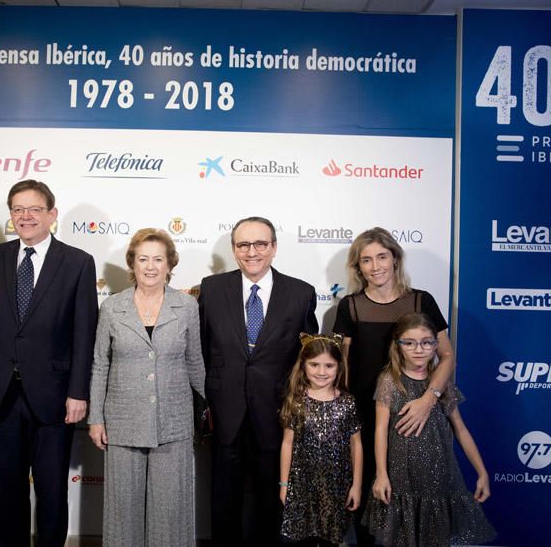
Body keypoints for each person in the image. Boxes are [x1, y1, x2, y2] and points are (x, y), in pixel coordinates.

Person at [0, 179, 98, 547]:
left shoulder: (78, 262)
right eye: (18, 209)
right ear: (10, 216)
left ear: (52, 214)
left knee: (52, 492)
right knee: (6, 491)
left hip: (53, 398)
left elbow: (85, 334)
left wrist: (78, 392)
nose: (25, 216)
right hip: (0, 396)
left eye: (34, 209)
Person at [199, 216, 318, 545]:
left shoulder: (301, 293)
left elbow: (307, 359)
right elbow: (202, 349)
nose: (252, 252)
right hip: (226, 412)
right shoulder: (212, 288)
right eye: (243, 245)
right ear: (234, 250)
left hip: (277, 411)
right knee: (225, 499)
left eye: (260, 244)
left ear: (274, 247)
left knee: (271, 497)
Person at [331, 227, 454, 546]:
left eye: (382, 257)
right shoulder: (351, 306)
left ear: (395, 258)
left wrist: (430, 399)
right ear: (358, 267)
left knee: (418, 499)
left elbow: (447, 355)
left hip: (415, 416)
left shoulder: (421, 300)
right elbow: (341, 367)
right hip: (366, 418)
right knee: (369, 494)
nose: (375, 266)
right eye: (366, 260)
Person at [88, 228, 205, 547]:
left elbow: (195, 362)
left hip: (174, 422)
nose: (150, 266)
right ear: (132, 264)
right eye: (143, 259)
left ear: (170, 264)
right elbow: (100, 364)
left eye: (158, 259)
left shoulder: (187, 306)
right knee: (122, 511)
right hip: (123, 423)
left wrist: (211, 409)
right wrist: (96, 418)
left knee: (171, 511)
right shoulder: (112, 307)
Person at [365, 313, 495, 547]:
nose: (419, 349)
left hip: (440, 480)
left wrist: (482, 472)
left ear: (436, 345)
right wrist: (381, 475)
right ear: (398, 345)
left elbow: (461, 430)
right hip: (400, 481)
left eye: (427, 342)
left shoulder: (440, 383)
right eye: (410, 342)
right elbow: (380, 431)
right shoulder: (389, 381)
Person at [279, 333, 363, 547]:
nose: (321, 372)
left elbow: (356, 445)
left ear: (338, 367)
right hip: (301, 486)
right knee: (300, 538)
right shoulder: (296, 401)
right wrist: (284, 484)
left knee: (330, 538)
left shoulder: (347, 403)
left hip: (335, 487)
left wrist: (357, 485)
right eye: (314, 365)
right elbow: (287, 444)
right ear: (304, 365)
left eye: (329, 366)